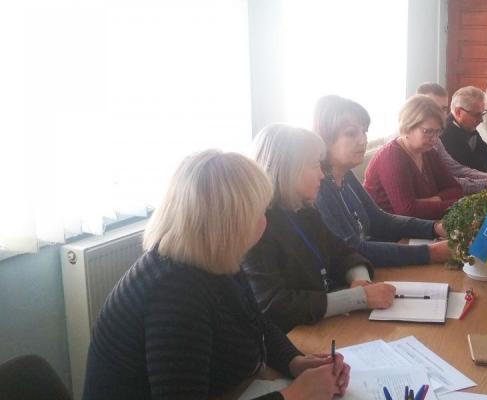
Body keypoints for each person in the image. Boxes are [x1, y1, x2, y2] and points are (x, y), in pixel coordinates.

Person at [83, 150, 350, 400]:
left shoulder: (211, 258)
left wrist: (295, 362)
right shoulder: (176, 295)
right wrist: (295, 395)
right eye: (260, 212)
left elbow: (256, 323)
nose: (265, 220)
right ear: (229, 225)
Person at [244, 125, 396, 333]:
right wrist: (357, 298)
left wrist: (361, 281)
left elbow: (343, 252)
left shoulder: (305, 211)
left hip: (325, 325)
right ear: (288, 170)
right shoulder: (257, 228)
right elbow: (275, 304)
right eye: (315, 166)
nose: (322, 175)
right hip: (294, 336)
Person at [312, 95, 452, 267]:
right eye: (351, 133)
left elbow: (379, 220)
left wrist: (435, 228)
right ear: (325, 137)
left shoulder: (346, 175)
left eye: (364, 131)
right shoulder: (318, 188)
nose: (363, 140)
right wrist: (431, 253)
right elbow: (352, 249)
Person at [364, 95, 463, 219]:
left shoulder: (428, 152)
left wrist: (434, 199)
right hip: (389, 228)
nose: (434, 138)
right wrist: (459, 204)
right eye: (428, 131)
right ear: (407, 127)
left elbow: (456, 189)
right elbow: (407, 211)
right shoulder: (391, 157)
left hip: (421, 223)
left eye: (438, 131)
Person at [417, 82, 487, 194]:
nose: (441, 115)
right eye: (433, 109)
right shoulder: (444, 134)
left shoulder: (436, 140)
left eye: (444, 109)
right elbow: (444, 181)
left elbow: (457, 168)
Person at [440, 86, 487, 172]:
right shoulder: (445, 133)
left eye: (482, 114)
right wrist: (479, 159)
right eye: (476, 115)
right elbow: (472, 167)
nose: (481, 120)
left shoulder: (468, 127)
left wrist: (477, 159)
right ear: (458, 112)